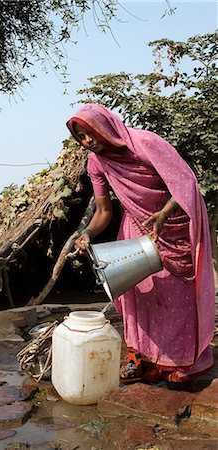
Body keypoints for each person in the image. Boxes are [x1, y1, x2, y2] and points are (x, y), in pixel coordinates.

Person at [66, 103, 215, 386]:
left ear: (104, 126)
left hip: (172, 228)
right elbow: (104, 211)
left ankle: (180, 362)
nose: (87, 142)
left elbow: (185, 184)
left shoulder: (145, 143)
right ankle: (142, 358)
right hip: (136, 230)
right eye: (81, 137)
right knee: (138, 297)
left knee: (176, 300)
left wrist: (164, 214)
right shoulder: (96, 162)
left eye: (89, 134)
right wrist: (87, 234)